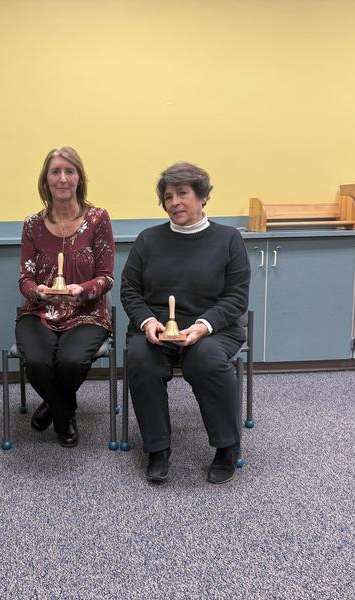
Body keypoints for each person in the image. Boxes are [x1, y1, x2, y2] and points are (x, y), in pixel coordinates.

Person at [120, 161, 250, 484]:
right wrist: (147, 322)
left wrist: (203, 326)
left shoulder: (229, 239)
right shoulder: (148, 241)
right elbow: (129, 290)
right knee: (140, 359)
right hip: (158, 329)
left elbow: (236, 297)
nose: (174, 202)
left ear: (203, 197)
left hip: (212, 330)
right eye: (167, 196)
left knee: (205, 360)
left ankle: (226, 447)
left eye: (182, 193)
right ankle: (158, 448)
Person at [15, 146, 114, 447]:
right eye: (55, 172)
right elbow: (25, 278)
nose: (62, 178)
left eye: (69, 171)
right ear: (45, 181)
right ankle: (64, 412)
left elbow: (106, 276)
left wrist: (81, 290)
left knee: (70, 361)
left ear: (79, 179)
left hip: (87, 314)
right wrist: (38, 292)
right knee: (36, 360)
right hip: (39, 312)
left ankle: (53, 407)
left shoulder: (98, 219)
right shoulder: (32, 225)